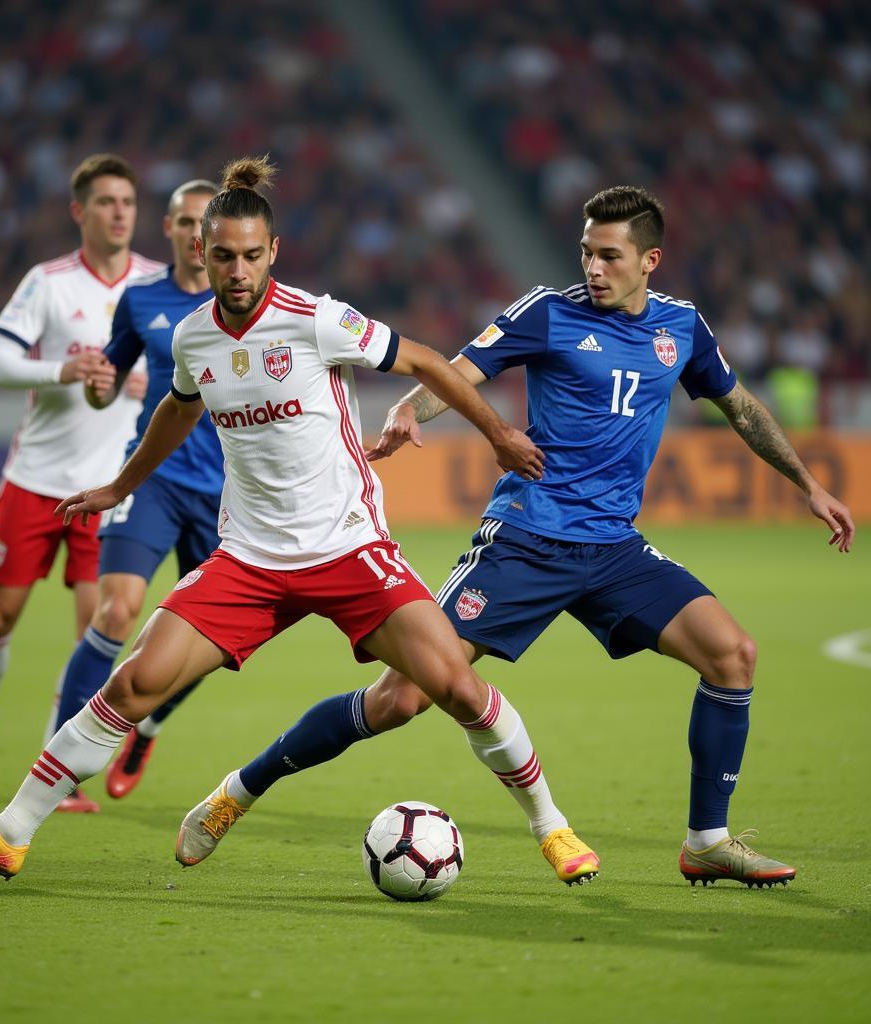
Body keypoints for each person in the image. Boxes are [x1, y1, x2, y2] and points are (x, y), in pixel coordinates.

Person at [0, 156, 598, 887]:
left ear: (272, 252)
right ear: (201, 253)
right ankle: (10, 832)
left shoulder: (316, 320)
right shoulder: (192, 338)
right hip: (250, 560)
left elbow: (428, 361)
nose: (237, 270)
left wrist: (497, 434)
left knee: (457, 688)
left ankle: (551, 827)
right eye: (222, 256)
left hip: (348, 549)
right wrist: (117, 483)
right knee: (133, 684)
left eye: (250, 255)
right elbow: (175, 411)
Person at [170, 185, 855, 889]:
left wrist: (808, 485)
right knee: (399, 700)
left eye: (610, 256)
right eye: (586, 251)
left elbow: (738, 406)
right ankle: (240, 790)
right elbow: (457, 370)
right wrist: (410, 410)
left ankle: (707, 841)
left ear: (650, 259)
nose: (592, 266)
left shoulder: (682, 329)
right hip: (525, 539)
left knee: (732, 654)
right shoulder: (548, 312)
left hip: (614, 548)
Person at [0, 154, 164, 809]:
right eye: (106, 201)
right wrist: (65, 370)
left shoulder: (156, 285)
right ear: (79, 211)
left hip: (111, 488)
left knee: (98, 627)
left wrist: (150, 383)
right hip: (35, 481)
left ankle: (56, 770)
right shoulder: (49, 283)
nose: (119, 212)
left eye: (127, 202)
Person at [43, 178, 224, 811]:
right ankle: (60, 769)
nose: (196, 237)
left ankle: (146, 726)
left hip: (232, 498)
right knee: (117, 612)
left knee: (210, 646)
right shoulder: (141, 299)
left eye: (208, 225)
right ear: (170, 230)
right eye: (185, 223)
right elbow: (108, 384)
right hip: (155, 481)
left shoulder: (252, 309)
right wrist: (95, 383)